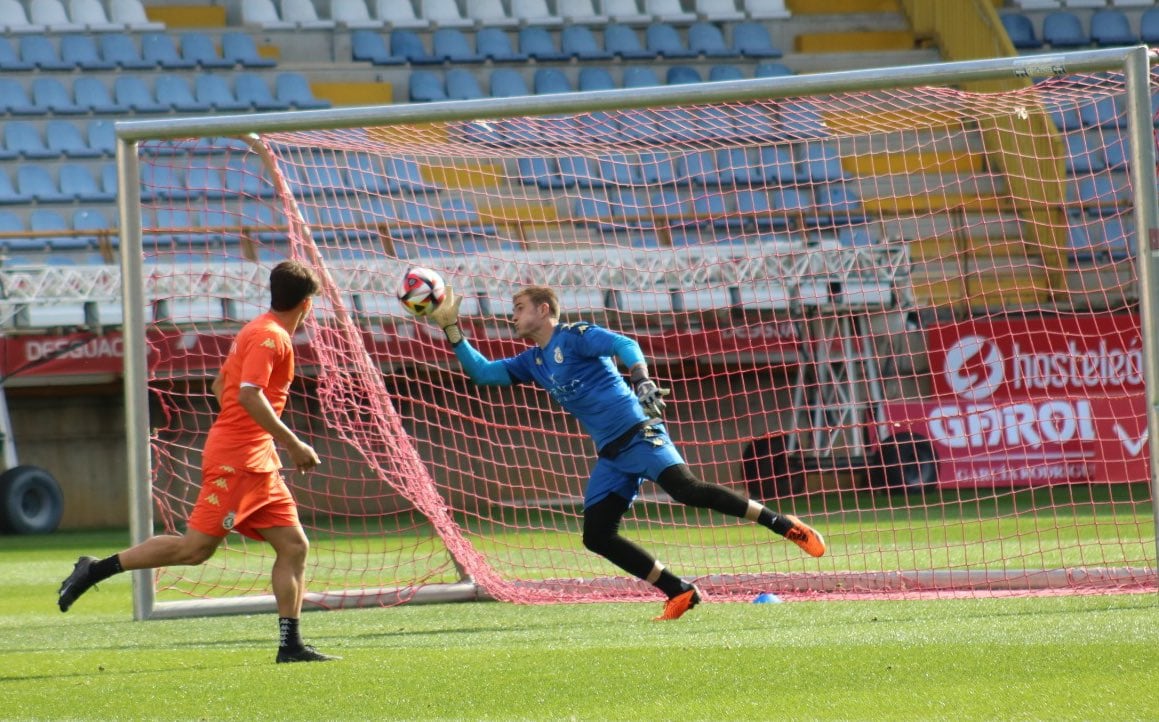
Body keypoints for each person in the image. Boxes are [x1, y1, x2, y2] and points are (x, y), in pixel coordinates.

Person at [427, 284, 825, 620]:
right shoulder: (532, 361)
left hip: (638, 432)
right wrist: (452, 330)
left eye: (518, 308)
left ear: (543, 309)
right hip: (612, 456)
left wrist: (642, 379)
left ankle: (782, 524)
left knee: (685, 490)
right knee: (597, 535)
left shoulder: (575, 336)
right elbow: (483, 374)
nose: (512, 316)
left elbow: (624, 343)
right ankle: (678, 590)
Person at [57, 260, 339, 663]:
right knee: (194, 550)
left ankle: (290, 646)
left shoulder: (257, 330)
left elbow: (220, 384)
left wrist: (248, 431)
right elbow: (248, 394)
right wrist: (292, 443)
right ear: (307, 304)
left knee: (294, 546)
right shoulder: (270, 338)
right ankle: (95, 569)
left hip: (257, 460)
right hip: (238, 462)